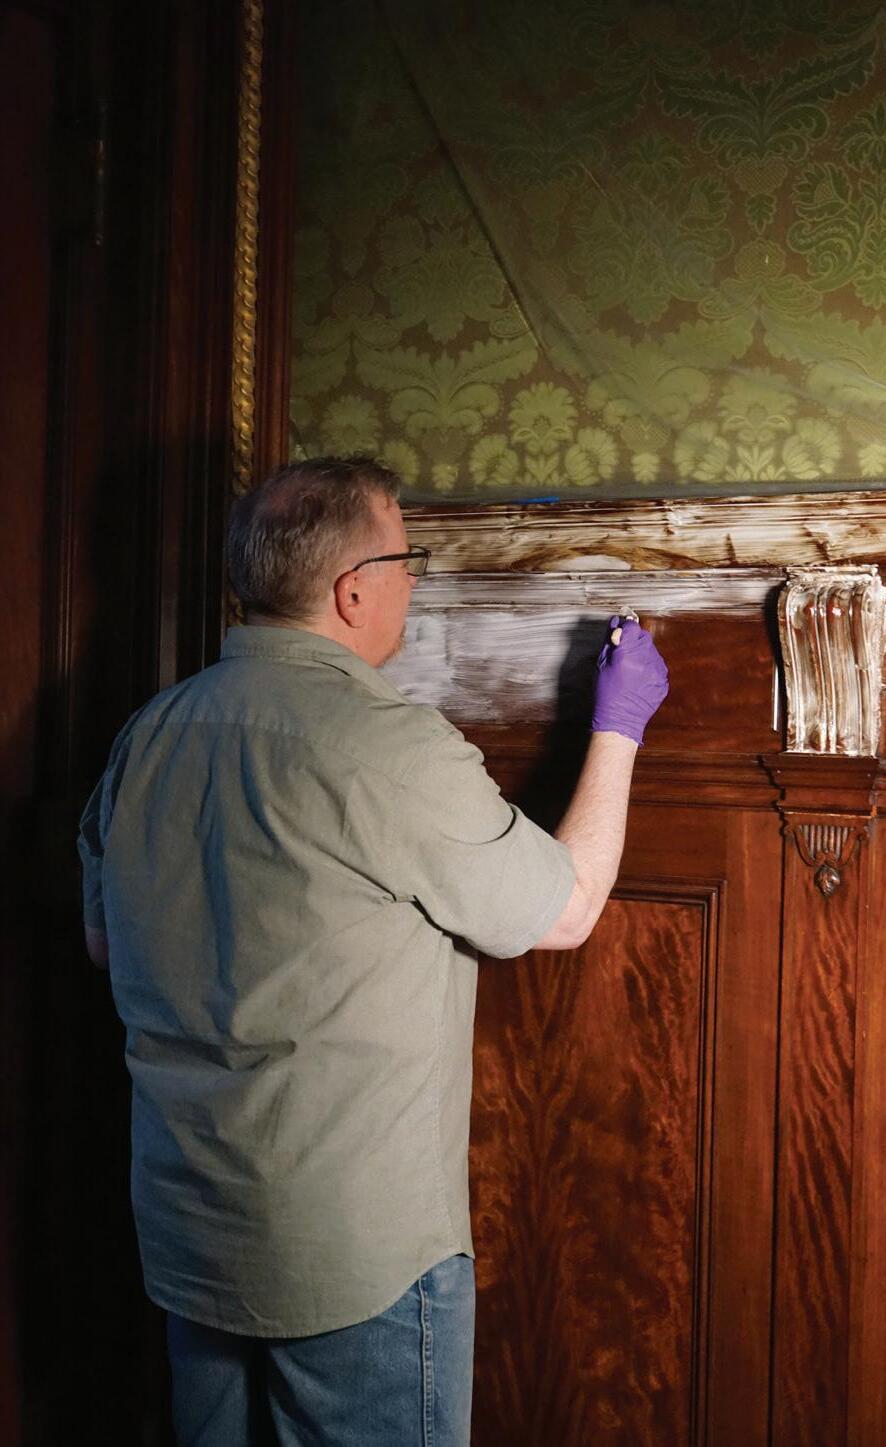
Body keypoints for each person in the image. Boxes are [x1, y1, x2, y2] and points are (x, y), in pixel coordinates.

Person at [78, 455, 668, 1447]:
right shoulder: (385, 744)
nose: (413, 580)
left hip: (189, 1227)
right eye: (407, 560)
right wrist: (617, 727)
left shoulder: (148, 735)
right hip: (350, 1253)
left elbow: (104, 945)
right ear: (354, 590)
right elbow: (563, 912)